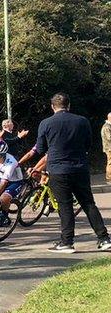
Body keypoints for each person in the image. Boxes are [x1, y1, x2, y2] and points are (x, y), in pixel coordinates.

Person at [22, 93, 110, 253]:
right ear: (68, 105)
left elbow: (41, 148)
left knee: (65, 205)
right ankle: (104, 238)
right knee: (88, 203)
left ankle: (67, 241)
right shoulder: (82, 121)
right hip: (80, 167)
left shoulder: (45, 123)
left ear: (52, 107)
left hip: (58, 169)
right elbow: (88, 144)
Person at [102, 112, 111, 183]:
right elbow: (109, 137)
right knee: (110, 163)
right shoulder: (107, 127)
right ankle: (109, 178)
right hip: (109, 148)